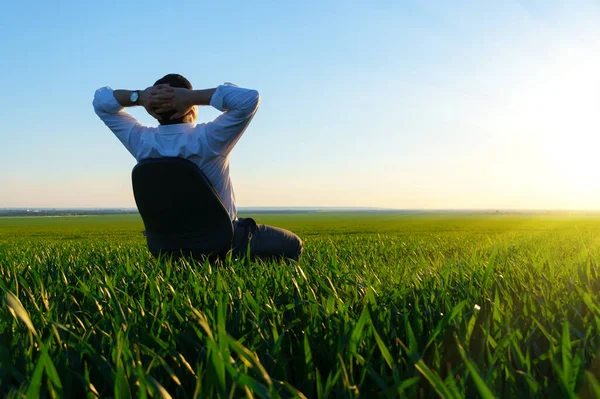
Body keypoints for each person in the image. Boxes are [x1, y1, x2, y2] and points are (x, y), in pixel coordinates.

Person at [92, 74, 303, 261]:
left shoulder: (141, 142)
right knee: (294, 244)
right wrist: (193, 97)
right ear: (190, 107)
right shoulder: (209, 138)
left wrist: (139, 97)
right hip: (222, 242)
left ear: (153, 112)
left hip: (165, 248)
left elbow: (100, 102)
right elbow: (248, 99)